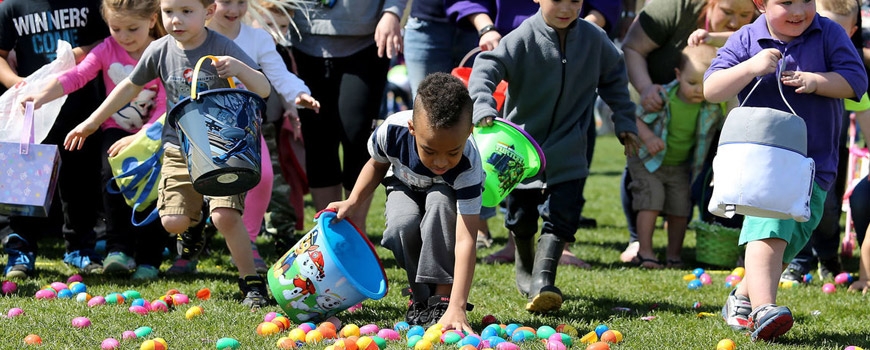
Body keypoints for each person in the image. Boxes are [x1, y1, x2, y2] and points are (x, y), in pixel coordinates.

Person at [63, 0, 274, 307]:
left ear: (209, 12)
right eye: (169, 12)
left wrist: (240, 68)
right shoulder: (160, 49)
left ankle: (251, 283)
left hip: (222, 146)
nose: (176, 20)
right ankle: (194, 225)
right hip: (178, 147)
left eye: (187, 11)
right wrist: (92, 123)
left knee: (225, 217)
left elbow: (263, 88)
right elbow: (128, 87)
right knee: (172, 222)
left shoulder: (221, 45)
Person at [706, 0, 867, 341]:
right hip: (763, 161)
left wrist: (816, 81)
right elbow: (712, 89)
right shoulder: (747, 39)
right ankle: (764, 308)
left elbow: (856, 82)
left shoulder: (828, 33)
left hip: (815, 165)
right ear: (761, 4)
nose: (798, 11)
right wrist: (750, 67)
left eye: (806, 0)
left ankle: (742, 296)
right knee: (770, 227)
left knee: (789, 239)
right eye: (786, 2)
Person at [468, 0, 640, 313]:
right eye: (557, 0)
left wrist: (625, 122)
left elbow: (615, 79)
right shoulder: (521, 37)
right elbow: (486, 67)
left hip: (570, 147)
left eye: (574, 1)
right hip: (520, 149)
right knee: (520, 218)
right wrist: (482, 104)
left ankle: (543, 280)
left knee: (563, 216)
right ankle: (525, 264)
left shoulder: (594, 39)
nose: (566, 8)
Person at [23, 0, 168, 279]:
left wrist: (141, 137)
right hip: (115, 129)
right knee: (110, 179)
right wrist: (41, 96)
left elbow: (164, 101)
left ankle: (150, 257)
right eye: (116, 28)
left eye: (132, 28)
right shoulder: (106, 49)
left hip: (154, 132)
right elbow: (77, 75)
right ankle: (118, 250)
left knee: (152, 189)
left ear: (152, 20)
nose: (124, 36)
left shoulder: (162, 50)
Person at [327, 72, 481, 332]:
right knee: (401, 226)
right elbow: (376, 165)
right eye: (429, 150)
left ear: (469, 132)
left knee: (440, 206)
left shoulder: (468, 163)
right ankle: (421, 297)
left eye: (452, 152)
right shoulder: (393, 131)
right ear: (412, 128)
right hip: (403, 185)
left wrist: (458, 304)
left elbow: (466, 239)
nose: (441, 162)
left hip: (445, 193)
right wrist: (352, 201)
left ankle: (442, 299)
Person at [619, 0, 756, 263]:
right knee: (645, 192)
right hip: (654, 113)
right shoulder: (676, 7)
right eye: (727, 12)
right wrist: (647, 89)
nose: (735, 21)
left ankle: (678, 253)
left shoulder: (710, 108)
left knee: (684, 201)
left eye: (744, 15)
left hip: (685, 159)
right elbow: (632, 48)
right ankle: (640, 244)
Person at [201, 0, 319, 274]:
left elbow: (279, 74)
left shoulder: (257, 38)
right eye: (226, 2)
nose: (234, 9)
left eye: (241, 2)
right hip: (200, 127)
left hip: (244, 127)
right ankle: (192, 236)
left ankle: (248, 240)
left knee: (264, 177)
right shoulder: (198, 34)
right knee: (198, 193)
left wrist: (297, 94)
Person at [0, 0, 109, 278]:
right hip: (34, 115)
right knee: (24, 186)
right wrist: (19, 84)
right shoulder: (13, 6)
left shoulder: (92, 3)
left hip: (82, 109)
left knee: (80, 185)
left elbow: (110, 40)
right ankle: (21, 251)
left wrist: (77, 54)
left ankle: (81, 249)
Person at [290, 0, 406, 233]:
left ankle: (356, 230)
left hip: (366, 40)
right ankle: (327, 232)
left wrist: (392, 12)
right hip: (301, 39)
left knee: (357, 136)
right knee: (318, 140)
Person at [629, 44, 724, 269]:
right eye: (692, 83)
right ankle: (645, 252)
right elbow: (633, 118)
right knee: (651, 201)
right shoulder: (662, 97)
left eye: (705, 84)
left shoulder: (711, 108)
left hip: (680, 166)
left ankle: (674, 256)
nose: (698, 90)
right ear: (678, 75)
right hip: (647, 160)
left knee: (681, 209)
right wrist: (649, 138)